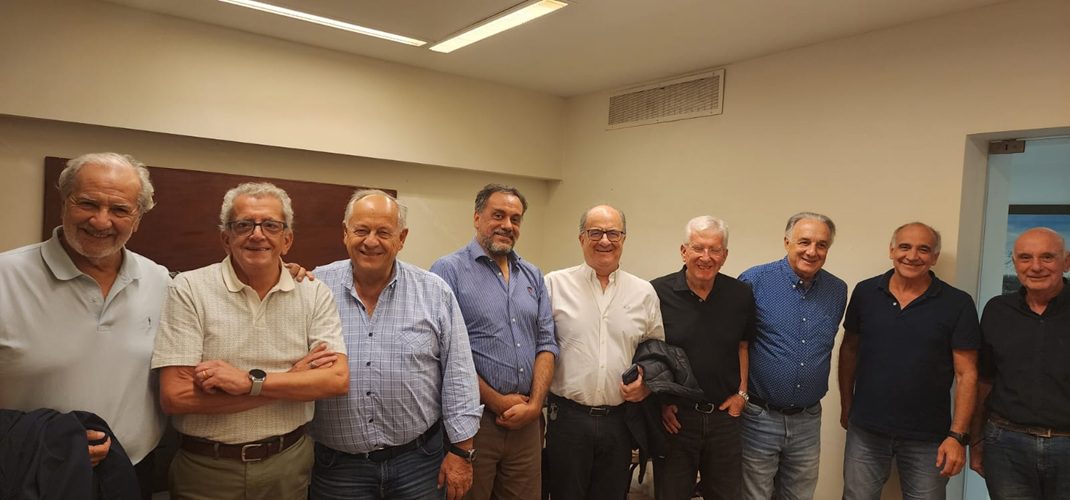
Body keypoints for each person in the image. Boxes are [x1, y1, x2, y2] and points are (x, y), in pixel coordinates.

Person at [152, 182, 349, 499]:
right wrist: (292, 380)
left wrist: (246, 382)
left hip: (288, 464)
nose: (258, 235)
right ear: (226, 238)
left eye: (271, 225)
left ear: (287, 240)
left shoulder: (314, 293)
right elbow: (176, 397)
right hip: (207, 470)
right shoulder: (189, 288)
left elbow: (335, 380)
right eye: (244, 225)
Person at [0, 153, 167, 498]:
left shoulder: (160, 281)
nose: (101, 221)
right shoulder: (5, 277)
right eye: (88, 203)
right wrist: (52, 442)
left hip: (131, 474)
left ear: (137, 218)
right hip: (31, 476)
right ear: (64, 202)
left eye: (119, 209)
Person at [310, 189, 482, 500]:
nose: (371, 241)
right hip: (338, 469)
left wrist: (462, 452)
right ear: (345, 233)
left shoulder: (435, 292)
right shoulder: (313, 288)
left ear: (401, 238)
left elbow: (459, 375)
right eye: (361, 230)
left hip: (418, 464)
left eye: (383, 232)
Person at [430, 184, 557, 500]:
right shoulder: (448, 270)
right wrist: (497, 401)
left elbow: (547, 342)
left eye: (515, 219)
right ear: (477, 218)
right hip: (474, 423)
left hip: (527, 422)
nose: (507, 225)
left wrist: (535, 405)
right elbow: (445, 354)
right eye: (498, 215)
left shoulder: (532, 275)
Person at [838, 222, 979, 500]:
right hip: (866, 430)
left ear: (934, 257)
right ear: (891, 250)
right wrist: (846, 405)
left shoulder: (957, 303)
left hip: (929, 436)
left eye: (923, 249)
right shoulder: (866, 292)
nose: (912, 256)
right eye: (904, 247)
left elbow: (967, 374)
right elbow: (849, 350)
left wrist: (957, 436)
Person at [543, 204, 664, 500]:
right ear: (581, 238)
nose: (605, 240)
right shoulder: (554, 285)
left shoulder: (643, 292)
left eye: (613, 233)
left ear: (624, 239)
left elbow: (657, 351)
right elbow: (539, 347)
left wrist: (647, 384)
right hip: (568, 419)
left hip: (619, 423)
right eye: (595, 232)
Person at [737, 212, 847, 500]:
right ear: (787, 242)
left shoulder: (837, 290)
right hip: (759, 417)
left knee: (799, 496)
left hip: (808, 420)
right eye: (804, 242)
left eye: (821, 245)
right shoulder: (754, 281)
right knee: (754, 496)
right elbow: (736, 343)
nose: (812, 251)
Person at [650, 216, 757, 500]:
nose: (706, 257)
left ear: (725, 256)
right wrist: (661, 403)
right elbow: (649, 351)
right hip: (676, 420)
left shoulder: (740, 294)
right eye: (698, 248)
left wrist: (742, 394)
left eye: (714, 249)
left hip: (725, 419)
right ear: (683, 251)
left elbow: (743, 346)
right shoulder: (657, 293)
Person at [969, 227, 1070, 499]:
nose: (1035, 267)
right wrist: (975, 439)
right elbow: (985, 379)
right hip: (1006, 445)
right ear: (1014, 263)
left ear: (1066, 262)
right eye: (1025, 257)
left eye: (1047, 257)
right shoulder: (997, 310)